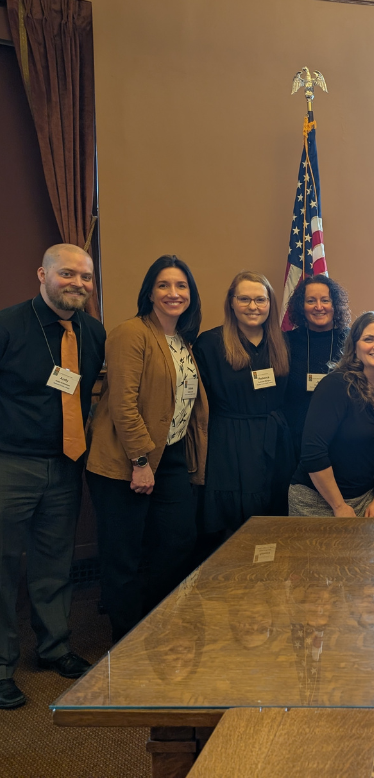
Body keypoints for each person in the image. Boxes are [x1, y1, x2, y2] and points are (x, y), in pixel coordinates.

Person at [0, 245, 106, 709]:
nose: (78, 284)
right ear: (42, 273)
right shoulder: (7, 326)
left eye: (85, 277)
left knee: (53, 563)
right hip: (10, 465)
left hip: (66, 465)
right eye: (68, 274)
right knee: (2, 569)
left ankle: (54, 647)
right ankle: (2, 665)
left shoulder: (93, 331)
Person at [87, 256, 208, 642]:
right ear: (149, 293)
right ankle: (125, 641)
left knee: (176, 543)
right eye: (164, 285)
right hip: (126, 462)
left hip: (169, 459)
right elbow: (123, 403)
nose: (174, 293)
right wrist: (139, 461)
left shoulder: (182, 341)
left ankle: (154, 628)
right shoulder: (130, 333)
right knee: (125, 556)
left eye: (181, 286)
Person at [193, 271, 293, 535]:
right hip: (229, 441)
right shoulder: (210, 344)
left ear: (270, 304)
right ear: (231, 302)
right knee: (231, 515)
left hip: (274, 439)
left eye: (260, 300)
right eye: (245, 299)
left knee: (273, 509)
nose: (253, 307)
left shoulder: (282, 342)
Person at [289, 312, 374, 517]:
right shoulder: (336, 385)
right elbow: (313, 453)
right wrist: (339, 506)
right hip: (320, 501)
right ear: (355, 346)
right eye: (369, 339)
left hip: (367, 499)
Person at [283, 274, 350, 456]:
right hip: (296, 436)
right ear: (301, 306)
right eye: (311, 301)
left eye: (325, 300)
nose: (319, 307)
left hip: (340, 436)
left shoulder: (351, 341)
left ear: (334, 304)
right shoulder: (285, 342)